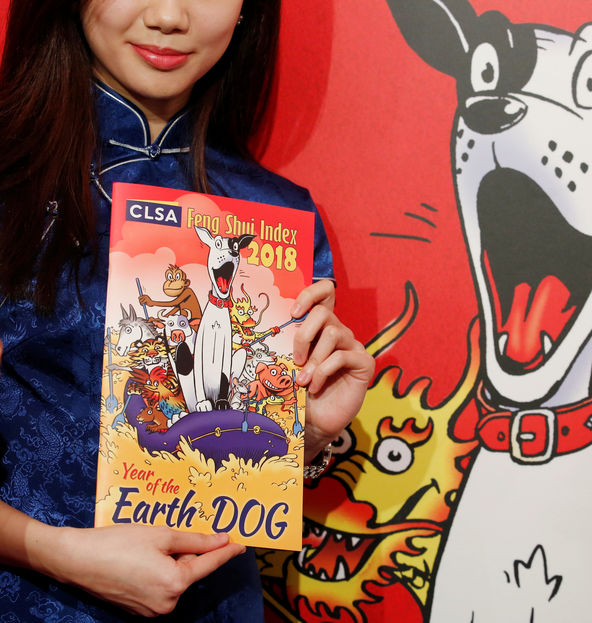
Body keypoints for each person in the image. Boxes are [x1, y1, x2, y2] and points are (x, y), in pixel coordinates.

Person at [0, 0, 374, 620]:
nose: (170, 16)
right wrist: (58, 552)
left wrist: (308, 432)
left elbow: (239, 475)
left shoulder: (276, 216)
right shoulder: (12, 189)